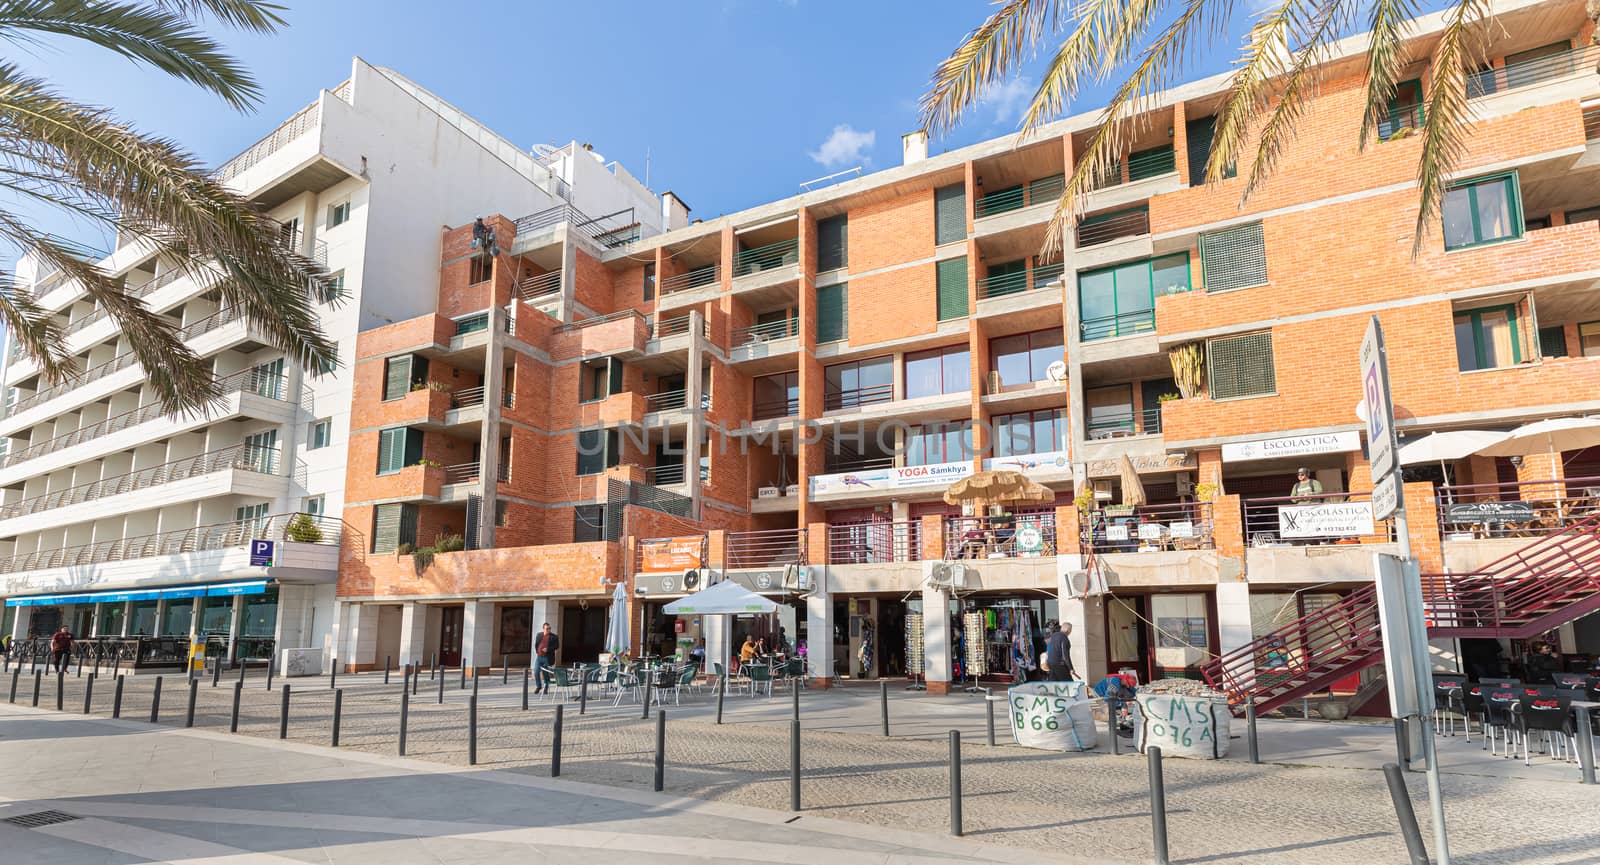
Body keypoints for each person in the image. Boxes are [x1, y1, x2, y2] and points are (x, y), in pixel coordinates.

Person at [531, 622, 559, 695]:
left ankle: (546, 687)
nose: (548, 630)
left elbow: (557, 646)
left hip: (547, 657)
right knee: (536, 671)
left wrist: (548, 649)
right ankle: (538, 686)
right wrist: (538, 651)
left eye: (549, 628)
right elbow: (536, 644)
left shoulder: (554, 637)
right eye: (547, 629)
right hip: (539, 657)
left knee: (545, 672)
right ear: (543, 629)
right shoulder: (539, 635)